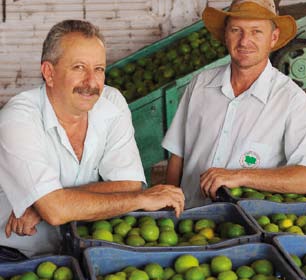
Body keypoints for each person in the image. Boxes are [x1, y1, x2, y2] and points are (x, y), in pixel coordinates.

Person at [0, 19, 184, 258]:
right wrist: (139, 199)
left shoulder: (111, 103)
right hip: (15, 254)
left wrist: (49, 203)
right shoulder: (17, 119)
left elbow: (129, 183)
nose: (91, 82)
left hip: (81, 249)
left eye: (99, 69)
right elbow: (56, 212)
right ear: (49, 72)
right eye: (78, 67)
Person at [162, 0, 306, 208]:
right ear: (226, 34)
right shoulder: (200, 84)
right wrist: (169, 208)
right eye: (236, 30)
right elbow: (177, 155)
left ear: (273, 38)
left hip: (246, 229)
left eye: (256, 31)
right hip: (189, 222)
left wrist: (240, 176)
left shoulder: (291, 101)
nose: (245, 41)